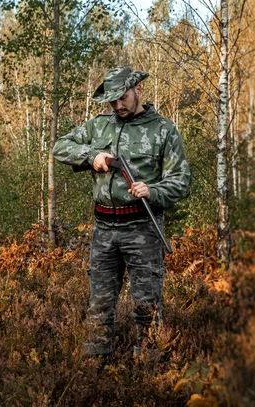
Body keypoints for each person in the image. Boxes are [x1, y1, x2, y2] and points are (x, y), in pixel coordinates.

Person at [52, 66, 191, 358]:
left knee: (147, 308)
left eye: (123, 97)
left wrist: (153, 191)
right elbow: (59, 147)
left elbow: (180, 182)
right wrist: (92, 156)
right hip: (103, 231)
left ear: (138, 89)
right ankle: (93, 374)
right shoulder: (99, 127)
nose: (118, 105)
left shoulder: (164, 130)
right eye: (112, 101)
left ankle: (150, 377)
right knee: (99, 307)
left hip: (143, 229)